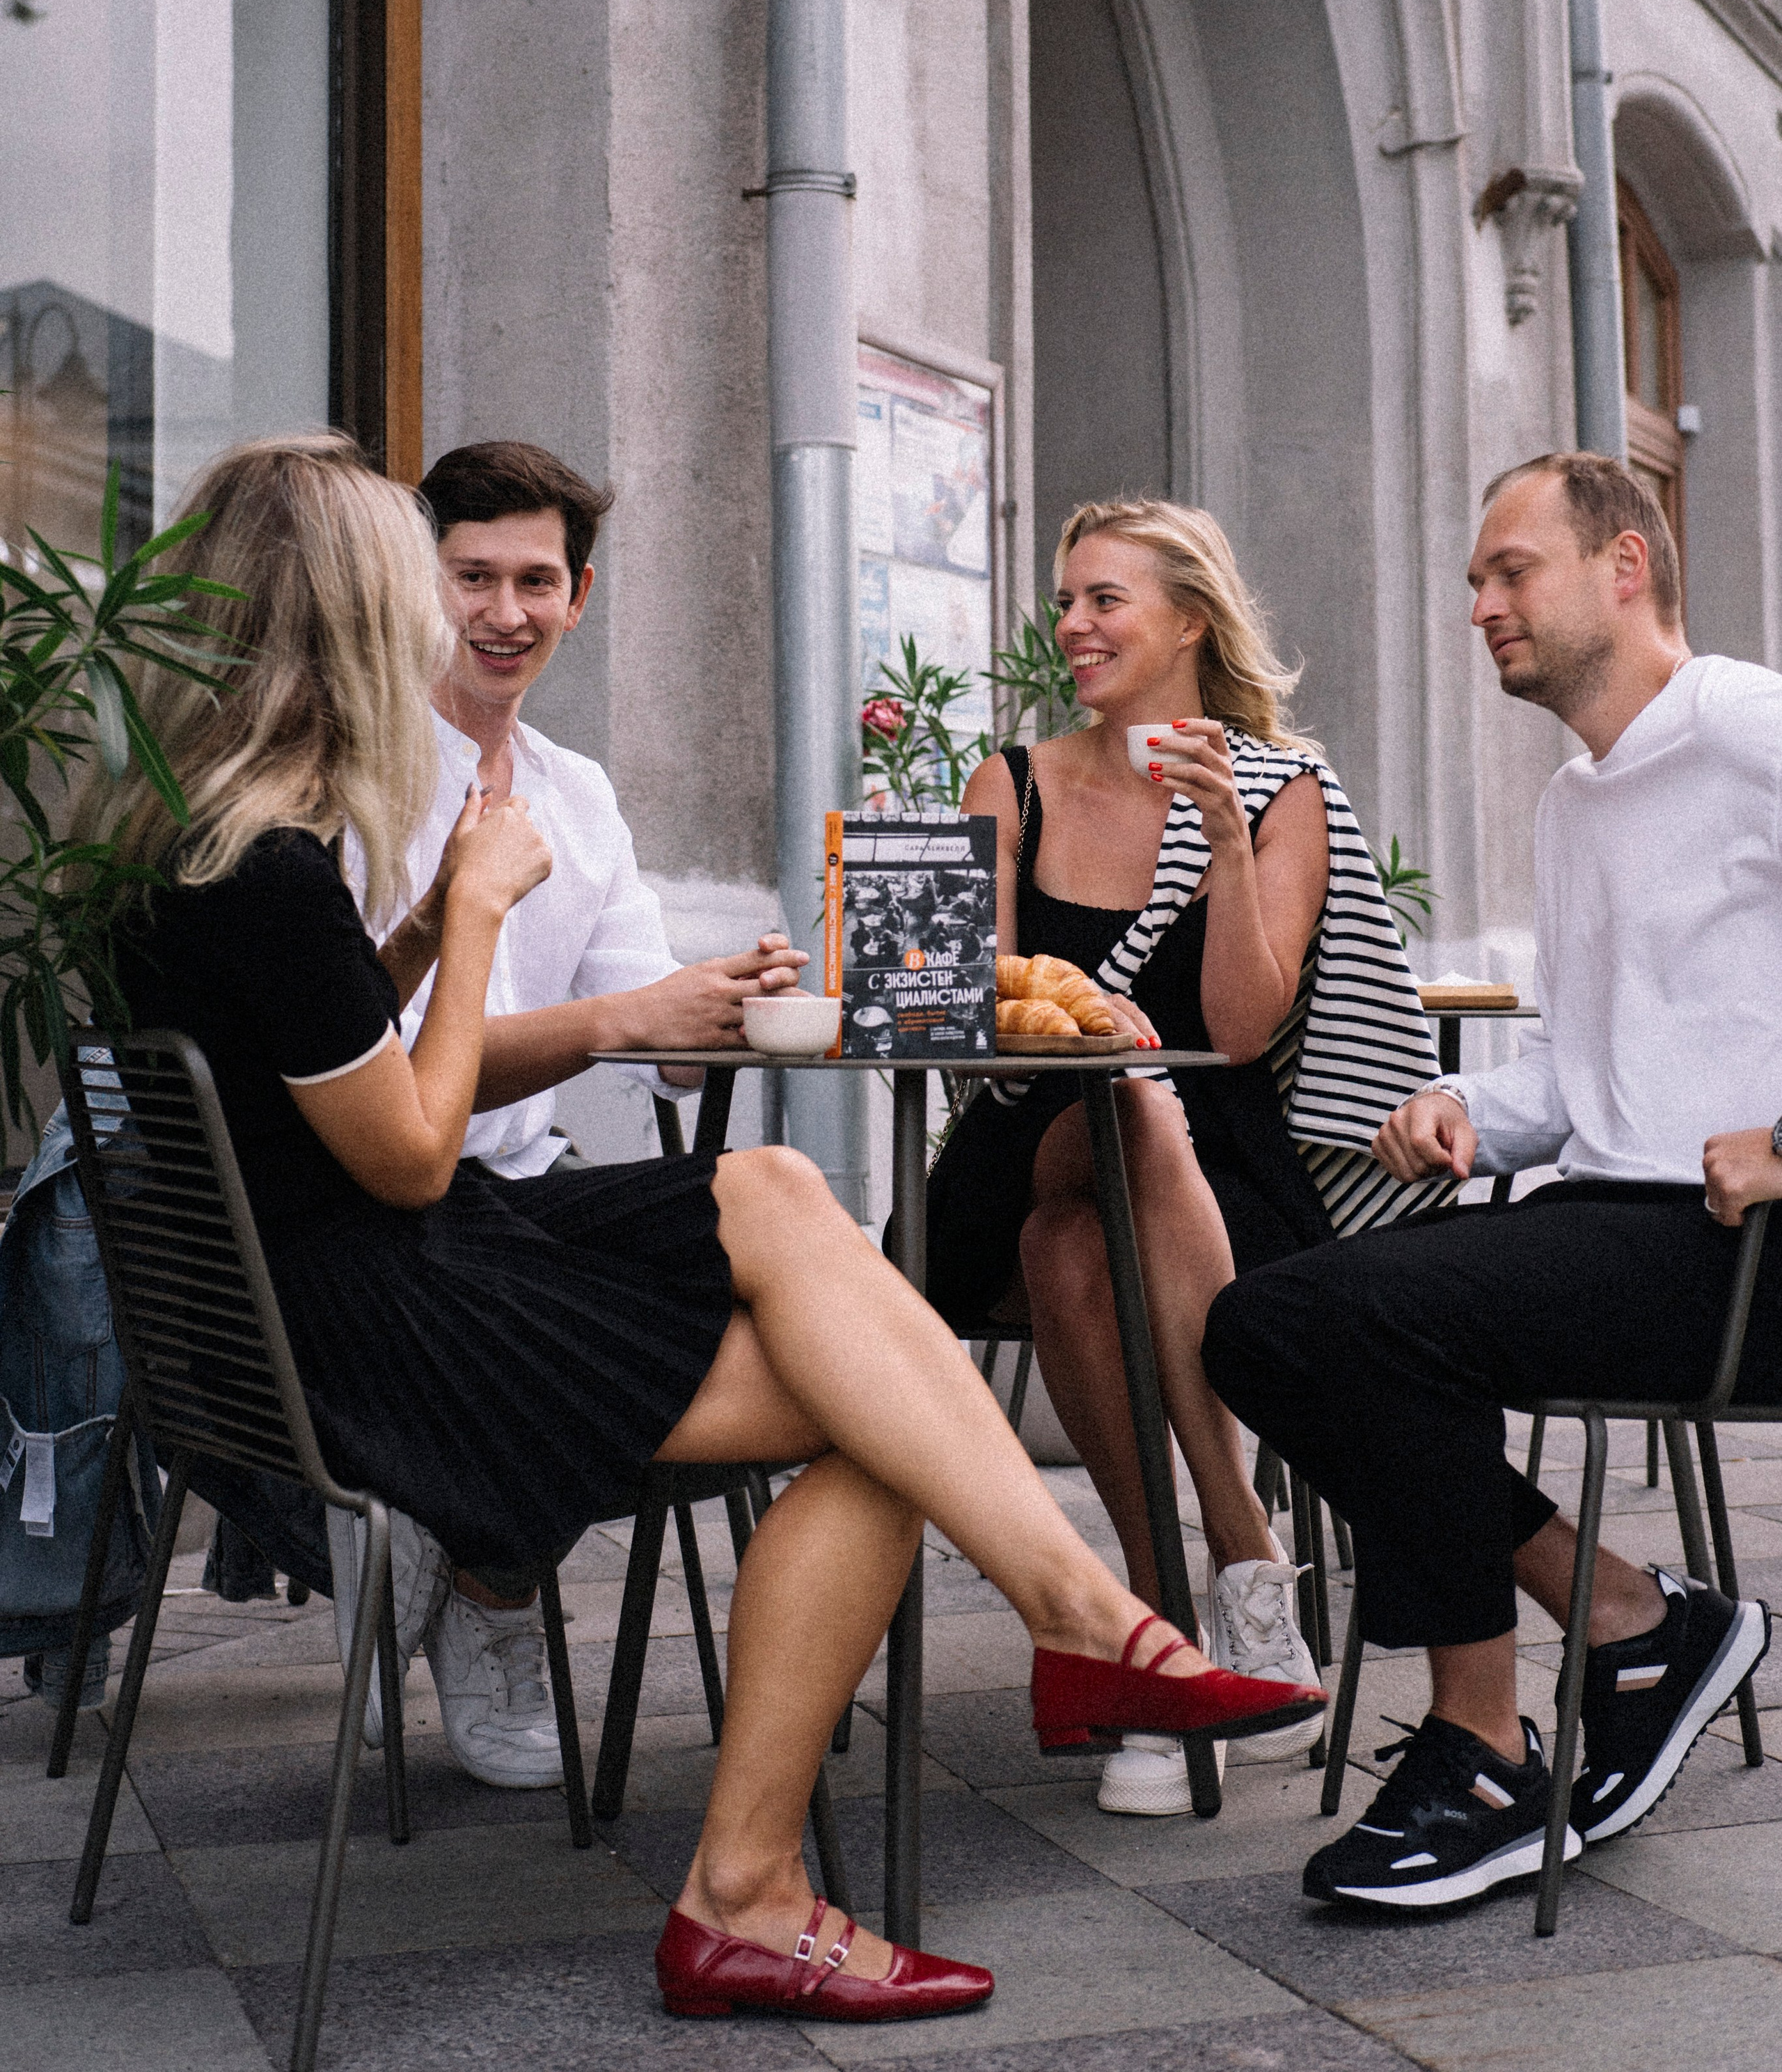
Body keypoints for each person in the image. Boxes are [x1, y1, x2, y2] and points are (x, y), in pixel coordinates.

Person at [102, 434, 1324, 2026]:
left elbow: (321, 1054)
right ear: (335, 613)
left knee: (775, 1192)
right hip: (382, 1314)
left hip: (340, 1281)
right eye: (423, 585)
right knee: (874, 1422)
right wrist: (471, 912)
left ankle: (1081, 1624)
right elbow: (404, 1155)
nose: (442, 619)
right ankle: (790, 1855)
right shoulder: (269, 867)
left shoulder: (196, 839)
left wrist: (419, 936)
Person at [1203, 451, 1776, 1914]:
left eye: (1510, 570)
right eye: (1473, 581)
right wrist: (1461, 1107)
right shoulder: (1576, 800)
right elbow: (1585, 1075)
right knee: (1270, 1324)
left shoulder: (1742, 724)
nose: (1479, 607)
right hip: (1618, 1216)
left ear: (1624, 566)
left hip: (1746, 1250)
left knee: (1347, 1324)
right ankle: (1621, 1618)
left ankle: (1486, 1744)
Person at [925, 498, 1438, 1815]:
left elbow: (1243, 1030)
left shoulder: (1279, 789)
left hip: (1217, 1180)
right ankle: (1245, 1554)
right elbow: (973, 1009)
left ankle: (1154, 1633)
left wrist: (1221, 840)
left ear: (1192, 622)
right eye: (1067, 600)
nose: (1073, 626)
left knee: (1084, 1229)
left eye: (1106, 600)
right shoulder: (1012, 782)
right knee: (1117, 1113)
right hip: (1017, 1144)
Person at [325, 441, 812, 1789]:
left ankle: (472, 1555)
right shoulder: (356, 778)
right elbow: (375, 1073)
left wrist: (728, 1006)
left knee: (757, 1268)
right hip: (375, 1201)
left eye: (536, 580)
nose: (505, 612)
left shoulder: (576, 791)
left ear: (579, 597)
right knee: (630, 1313)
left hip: (519, 1182)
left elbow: (658, 1046)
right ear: (418, 583)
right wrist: (633, 1020)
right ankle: (477, 1559)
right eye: (472, 576)